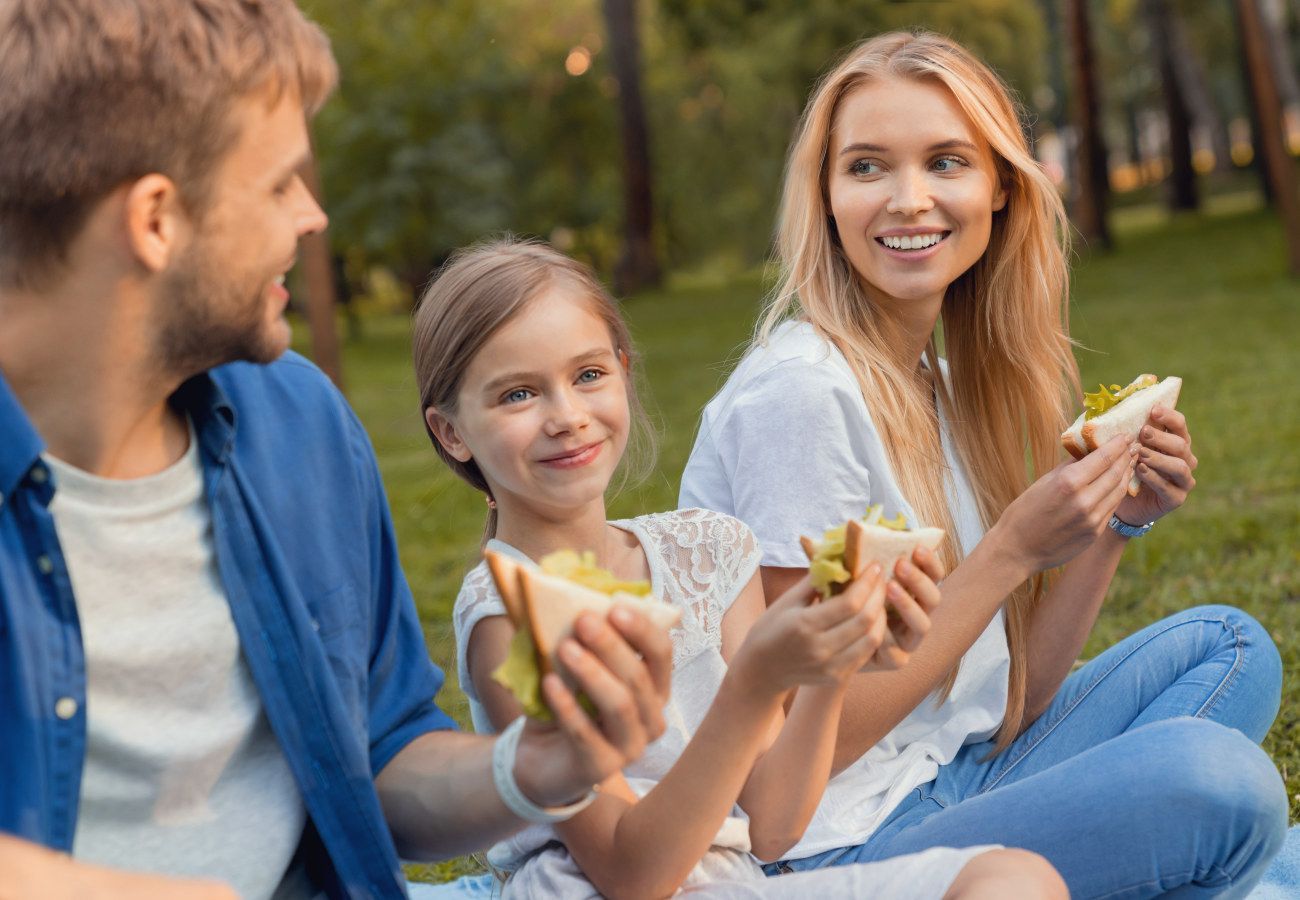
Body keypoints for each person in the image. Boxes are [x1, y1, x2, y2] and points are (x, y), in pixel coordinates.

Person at [0, 2, 677, 897]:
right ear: (156, 219)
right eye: (280, 184)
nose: (312, 217)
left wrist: (533, 768)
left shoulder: (299, 425)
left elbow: (382, 755)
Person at [679, 30, 1287, 898]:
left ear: (1000, 186)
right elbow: (785, 759)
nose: (908, 199)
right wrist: (1007, 549)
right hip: (836, 843)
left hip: (960, 776)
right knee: (1223, 786)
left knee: (1232, 647)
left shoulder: (947, 380)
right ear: (825, 196)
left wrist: (1116, 519)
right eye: (866, 167)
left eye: (946, 162)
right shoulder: (800, 400)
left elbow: (1013, 702)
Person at [414, 237, 1067, 899]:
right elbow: (631, 872)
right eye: (518, 395)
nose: (567, 417)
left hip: (742, 881)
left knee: (1013, 879)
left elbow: (775, 824)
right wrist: (754, 682)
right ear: (452, 433)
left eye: (587, 376)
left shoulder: (709, 550)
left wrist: (831, 660)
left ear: (623, 369)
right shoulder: (508, 613)